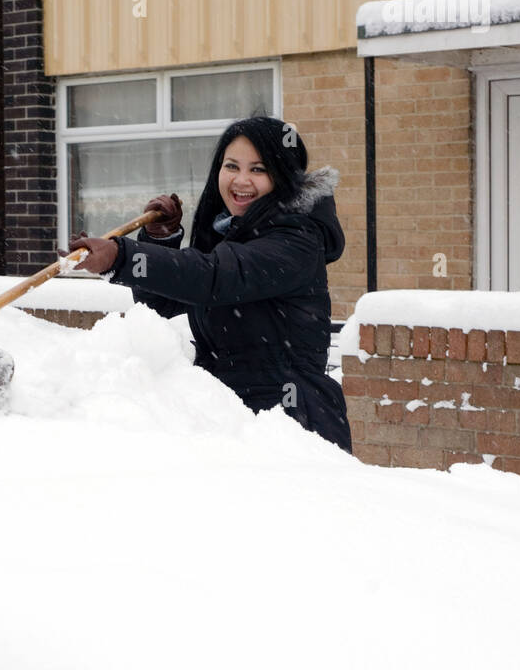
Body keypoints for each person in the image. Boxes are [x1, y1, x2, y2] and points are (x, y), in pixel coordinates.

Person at [64, 116, 352, 452]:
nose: (241, 180)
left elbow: (214, 276)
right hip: (229, 416)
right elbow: (163, 304)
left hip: (293, 422)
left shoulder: (296, 238)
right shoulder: (233, 231)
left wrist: (121, 256)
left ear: (283, 176)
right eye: (232, 166)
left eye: (258, 169)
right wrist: (162, 239)